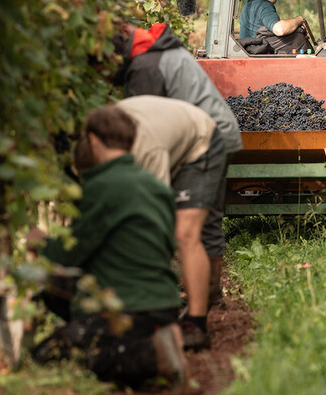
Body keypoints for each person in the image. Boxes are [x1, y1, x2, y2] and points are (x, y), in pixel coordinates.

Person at [28, 105, 188, 394]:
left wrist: (39, 242)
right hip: (164, 304)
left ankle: (153, 355)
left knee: (48, 356)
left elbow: (67, 254)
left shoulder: (101, 186)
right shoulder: (156, 186)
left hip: (128, 308)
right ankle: (148, 349)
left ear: (93, 140)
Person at [112, 22, 242, 341]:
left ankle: (195, 307)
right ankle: (209, 296)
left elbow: (147, 128)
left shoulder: (146, 66)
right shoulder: (156, 50)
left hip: (203, 137)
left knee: (188, 226)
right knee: (206, 221)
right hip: (217, 130)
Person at [79, 95, 226, 351]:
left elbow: (155, 216)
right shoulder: (98, 142)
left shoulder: (147, 152)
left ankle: (196, 324)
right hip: (163, 130)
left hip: (200, 141)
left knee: (185, 233)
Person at [238, 0, 312, 54]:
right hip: (261, 58)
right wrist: (300, 19)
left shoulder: (249, 5)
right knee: (298, 39)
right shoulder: (263, 5)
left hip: (249, 55)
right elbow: (280, 29)